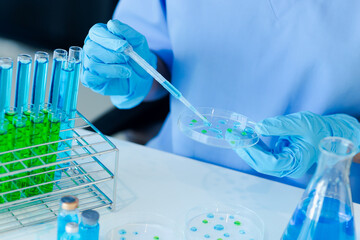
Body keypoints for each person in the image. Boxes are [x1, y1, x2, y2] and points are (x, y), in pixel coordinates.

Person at [81, 0, 360, 201]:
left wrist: (341, 139)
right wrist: (134, 71)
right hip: (176, 176)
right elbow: (157, 59)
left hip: (314, 203)